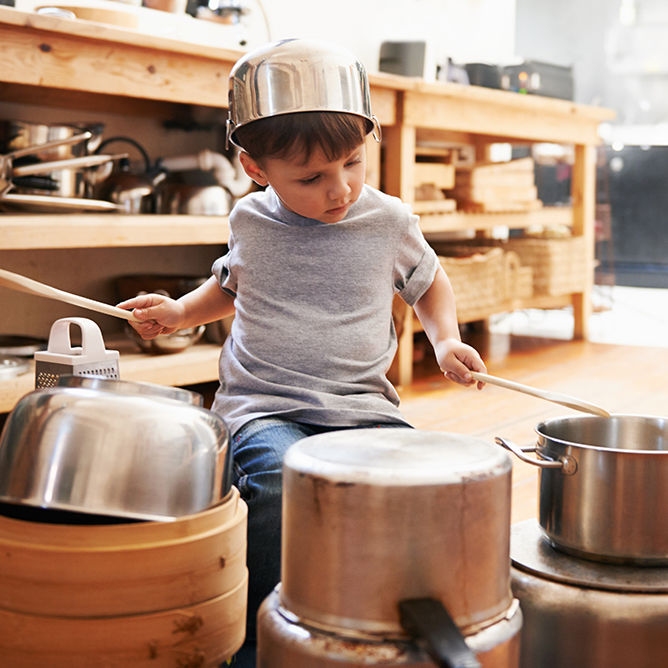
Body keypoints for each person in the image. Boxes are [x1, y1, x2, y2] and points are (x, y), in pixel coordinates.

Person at [117, 38, 487, 665]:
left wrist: (445, 338)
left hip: (364, 407)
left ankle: (370, 615)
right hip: (267, 406)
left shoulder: (390, 220)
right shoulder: (250, 222)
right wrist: (180, 312)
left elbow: (429, 283)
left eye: (352, 163)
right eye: (311, 178)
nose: (339, 189)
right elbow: (230, 285)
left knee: (404, 493)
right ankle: (261, 641)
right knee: (283, 489)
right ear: (255, 169)